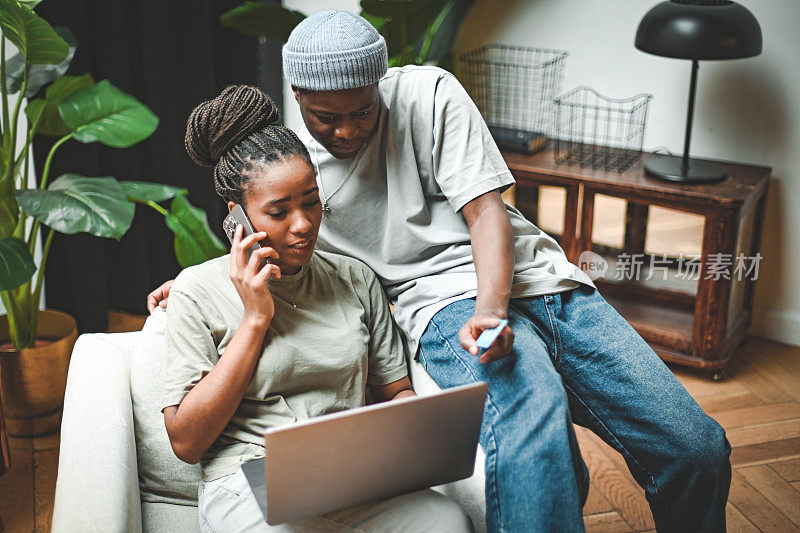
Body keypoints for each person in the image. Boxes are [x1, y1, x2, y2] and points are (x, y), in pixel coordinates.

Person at [151, 10, 732, 532]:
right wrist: (200, 282)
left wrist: (492, 309)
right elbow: (258, 216)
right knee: (532, 429)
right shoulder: (292, 158)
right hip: (438, 307)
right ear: (298, 96)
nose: (349, 131)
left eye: (363, 111)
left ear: (380, 84)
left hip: (536, 281)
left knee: (695, 446)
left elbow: (487, 212)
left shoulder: (429, 95)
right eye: (329, 118)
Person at [161, 85, 473, 532]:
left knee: (446, 520)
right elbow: (187, 441)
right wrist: (254, 319)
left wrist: (404, 446)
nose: (303, 225)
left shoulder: (354, 279)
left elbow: (396, 392)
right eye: (278, 212)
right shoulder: (196, 291)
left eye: (310, 201)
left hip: (347, 476)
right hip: (249, 482)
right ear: (237, 218)